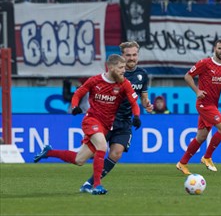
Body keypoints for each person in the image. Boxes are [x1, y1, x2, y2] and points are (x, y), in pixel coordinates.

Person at [33, 54, 141, 195]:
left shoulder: (124, 83)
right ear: (111, 67)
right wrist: (75, 106)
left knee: (79, 159)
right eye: (120, 68)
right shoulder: (95, 81)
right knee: (102, 146)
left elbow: (134, 102)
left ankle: (49, 152)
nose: (123, 70)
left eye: (124, 68)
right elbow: (78, 93)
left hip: (107, 125)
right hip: (92, 121)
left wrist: (137, 116)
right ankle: (96, 186)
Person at [79, 41, 153, 193]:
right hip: (105, 119)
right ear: (122, 56)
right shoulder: (116, 73)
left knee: (116, 153)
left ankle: (90, 183)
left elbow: (143, 96)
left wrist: (146, 104)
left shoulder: (142, 75)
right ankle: (57, 154)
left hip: (125, 121)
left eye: (134, 55)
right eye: (128, 55)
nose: (132, 58)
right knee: (84, 156)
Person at [176, 39, 221, 175]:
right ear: (214, 49)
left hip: (213, 105)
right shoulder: (205, 63)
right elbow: (187, 76)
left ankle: (182, 163)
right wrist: (197, 91)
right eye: (220, 48)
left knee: (201, 137)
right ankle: (207, 157)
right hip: (204, 104)